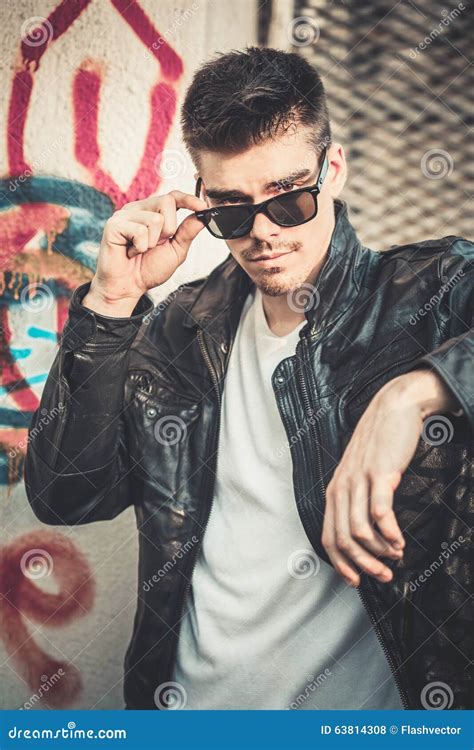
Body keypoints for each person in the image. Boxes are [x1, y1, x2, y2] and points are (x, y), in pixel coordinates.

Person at [25, 46, 472, 711]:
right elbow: (67, 495)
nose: (262, 232)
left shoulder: (428, 295)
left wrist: (415, 392)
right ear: (201, 201)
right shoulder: (180, 332)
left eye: (288, 201)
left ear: (334, 170)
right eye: (232, 210)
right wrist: (112, 305)